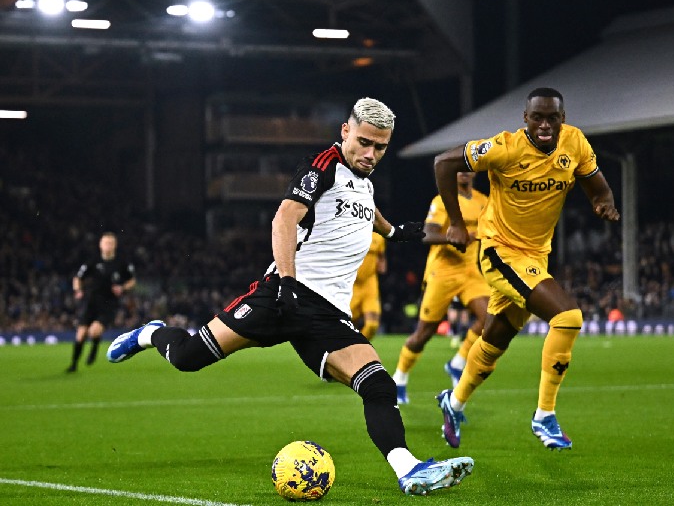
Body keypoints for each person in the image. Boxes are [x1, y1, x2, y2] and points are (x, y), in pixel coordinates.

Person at [106, 98, 474, 496]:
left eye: (381, 146)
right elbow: (284, 218)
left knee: (378, 384)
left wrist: (450, 232)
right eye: (365, 142)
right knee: (187, 357)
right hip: (282, 295)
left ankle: (409, 469)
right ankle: (151, 333)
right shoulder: (323, 166)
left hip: (326, 314)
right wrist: (286, 283)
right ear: (345, 131)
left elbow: (393, 230)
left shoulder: (365, 187)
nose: (371, 154)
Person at [434, 88, 620, 450]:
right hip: (499, 252)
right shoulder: (504, 148)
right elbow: (443, 163)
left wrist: (603, 204)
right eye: (538, 117)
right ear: (526, 118)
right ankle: (544, 416)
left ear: (563, 118)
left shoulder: (575, 144)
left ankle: (453, 403)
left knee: (494, 342)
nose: (546, 124)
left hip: (536, 257)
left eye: (553, 117)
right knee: (568, 317)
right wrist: (455, 223)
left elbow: (600, 189)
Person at [392, 172, 490, 405]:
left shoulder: (483, 201)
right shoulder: (442, 200)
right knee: (423, 334)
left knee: (490, 318)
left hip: (470, 272)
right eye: (457, 168)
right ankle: (399, 378)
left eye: (467, 167)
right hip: (442, 272)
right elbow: (427, 234)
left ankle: (458, 363)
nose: (464, 172)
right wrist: (457, 237)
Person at [66, 232, 136, 372]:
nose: (108, 246)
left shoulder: (122, 263)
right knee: (81, 334)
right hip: (91, 301)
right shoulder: (93, 261)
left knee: (94, 331)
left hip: (109, 304)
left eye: (110, 243)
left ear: (115, 245)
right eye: (105, 243)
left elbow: (132, 281)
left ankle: (94, 348)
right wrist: (78, 290)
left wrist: (122, 288)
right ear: (100, 245)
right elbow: (78, 278)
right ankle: (73, 364)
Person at [350, 231, 387, 340]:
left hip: (370, 285)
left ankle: (360, 346)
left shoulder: (378, 237)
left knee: (372, 325)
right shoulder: (349, 233)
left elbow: (381, 257)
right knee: (348, 324)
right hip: (352, 285)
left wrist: (382, 265)